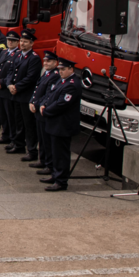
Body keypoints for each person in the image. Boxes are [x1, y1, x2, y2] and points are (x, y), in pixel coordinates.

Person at [38, 60, 82, 192]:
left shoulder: (72, 84)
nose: (60, 72)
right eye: (60, 69)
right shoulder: (62, 80)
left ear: (71, 69)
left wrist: (46, 111)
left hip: (63, 125)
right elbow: (51, 94)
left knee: (61, 154)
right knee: (54, 152)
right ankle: (55, 175)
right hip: (55, 123)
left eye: (63, 69)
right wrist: (44, 103)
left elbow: (61, 104)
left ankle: (61, 181)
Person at [6, 31, 42, 158]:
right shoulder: (17, 55)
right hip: (15, 94)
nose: (22, 44)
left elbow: (31, 77)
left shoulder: (34, 58)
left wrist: (17, 87)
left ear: (31, 43)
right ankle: (18, 144)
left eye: (25, 42)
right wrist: (9, 84)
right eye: (21, 41)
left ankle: (32, 150)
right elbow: (11, 71)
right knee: (18, 122)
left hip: (26, 95)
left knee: (28, 125)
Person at [29, 51, 60, 172]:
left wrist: (36, 104)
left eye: (49, 61)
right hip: (38, 110)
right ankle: (42, 160)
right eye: (45, 61)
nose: (46, 63)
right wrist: (32, 101)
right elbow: (37, 90)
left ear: (56, 63)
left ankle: (49, 164)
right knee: (41, 138)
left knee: (46, 140)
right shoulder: (46, 73)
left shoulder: (55, 75)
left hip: (43, 111)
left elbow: (48, 95)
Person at [0, 30, 22, 140]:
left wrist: (1, 82)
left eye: (13, 41)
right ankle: (5, 134)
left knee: (10, 116)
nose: (10, 42)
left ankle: (12, 138)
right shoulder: (3, 52)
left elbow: (13, 73)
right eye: (9, 40)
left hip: (6, 89)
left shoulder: (18, 54)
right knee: (2, 114)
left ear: (17, 42)